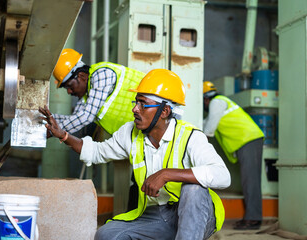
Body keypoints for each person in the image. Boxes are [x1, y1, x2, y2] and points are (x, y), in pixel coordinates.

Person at [39, 69, 231, 240]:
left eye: (142, 104)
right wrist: (63, 135)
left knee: (193, 189)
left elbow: (223, 176)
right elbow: (97, 152)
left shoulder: (190, 136)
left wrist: (166, 173)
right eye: (136, 102)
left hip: (198, 215)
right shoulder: (130, 132)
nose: (134, 109)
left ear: (164, 111)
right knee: (107, 235)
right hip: (159, 216)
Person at [202, 81, 265, 230]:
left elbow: (209, 128)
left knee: (251, 181)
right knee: (248, 181)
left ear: (205, 99)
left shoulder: (216, 103)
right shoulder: (220, 103)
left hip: (248, 140)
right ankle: (252, 217)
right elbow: (204, 123)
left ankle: (253, 219)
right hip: (247, 140)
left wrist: (200, 142)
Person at [50, 48, 145, 135]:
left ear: (81, 76)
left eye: (69, 86)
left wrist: (51, 132)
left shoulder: (102, 75)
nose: (69, 92)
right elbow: (75, 118)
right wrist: (49, 119)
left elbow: (86, 116)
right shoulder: (87, 96)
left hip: (154, 123)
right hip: (139, 134)